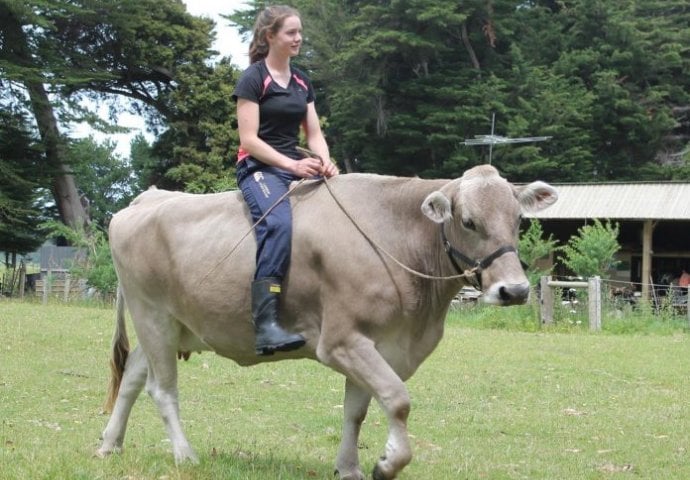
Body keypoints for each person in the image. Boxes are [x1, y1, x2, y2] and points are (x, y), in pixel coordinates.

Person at [232, 5, 338, 356]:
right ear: (270, 37)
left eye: (300, 31)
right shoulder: (253, 79)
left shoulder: (302, 81)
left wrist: (323, 161)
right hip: (259, 169)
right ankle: (265, 326)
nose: (299, 38)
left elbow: (314, 133)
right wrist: (293, 166)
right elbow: (249, 141)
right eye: (291, 32)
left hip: (295, 165)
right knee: (277, 225)